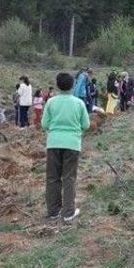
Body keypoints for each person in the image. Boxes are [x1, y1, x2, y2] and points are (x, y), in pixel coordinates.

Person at [42, 72, 90, 222]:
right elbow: (86, 125)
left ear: (57, 85)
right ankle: (68, 212)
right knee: (69, 177)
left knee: (52, 177)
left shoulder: (51, 102)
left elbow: (44, 124)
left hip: (54, 143)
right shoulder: (79, 103)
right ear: (73, 85)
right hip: (72, 144)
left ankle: (53, 211)